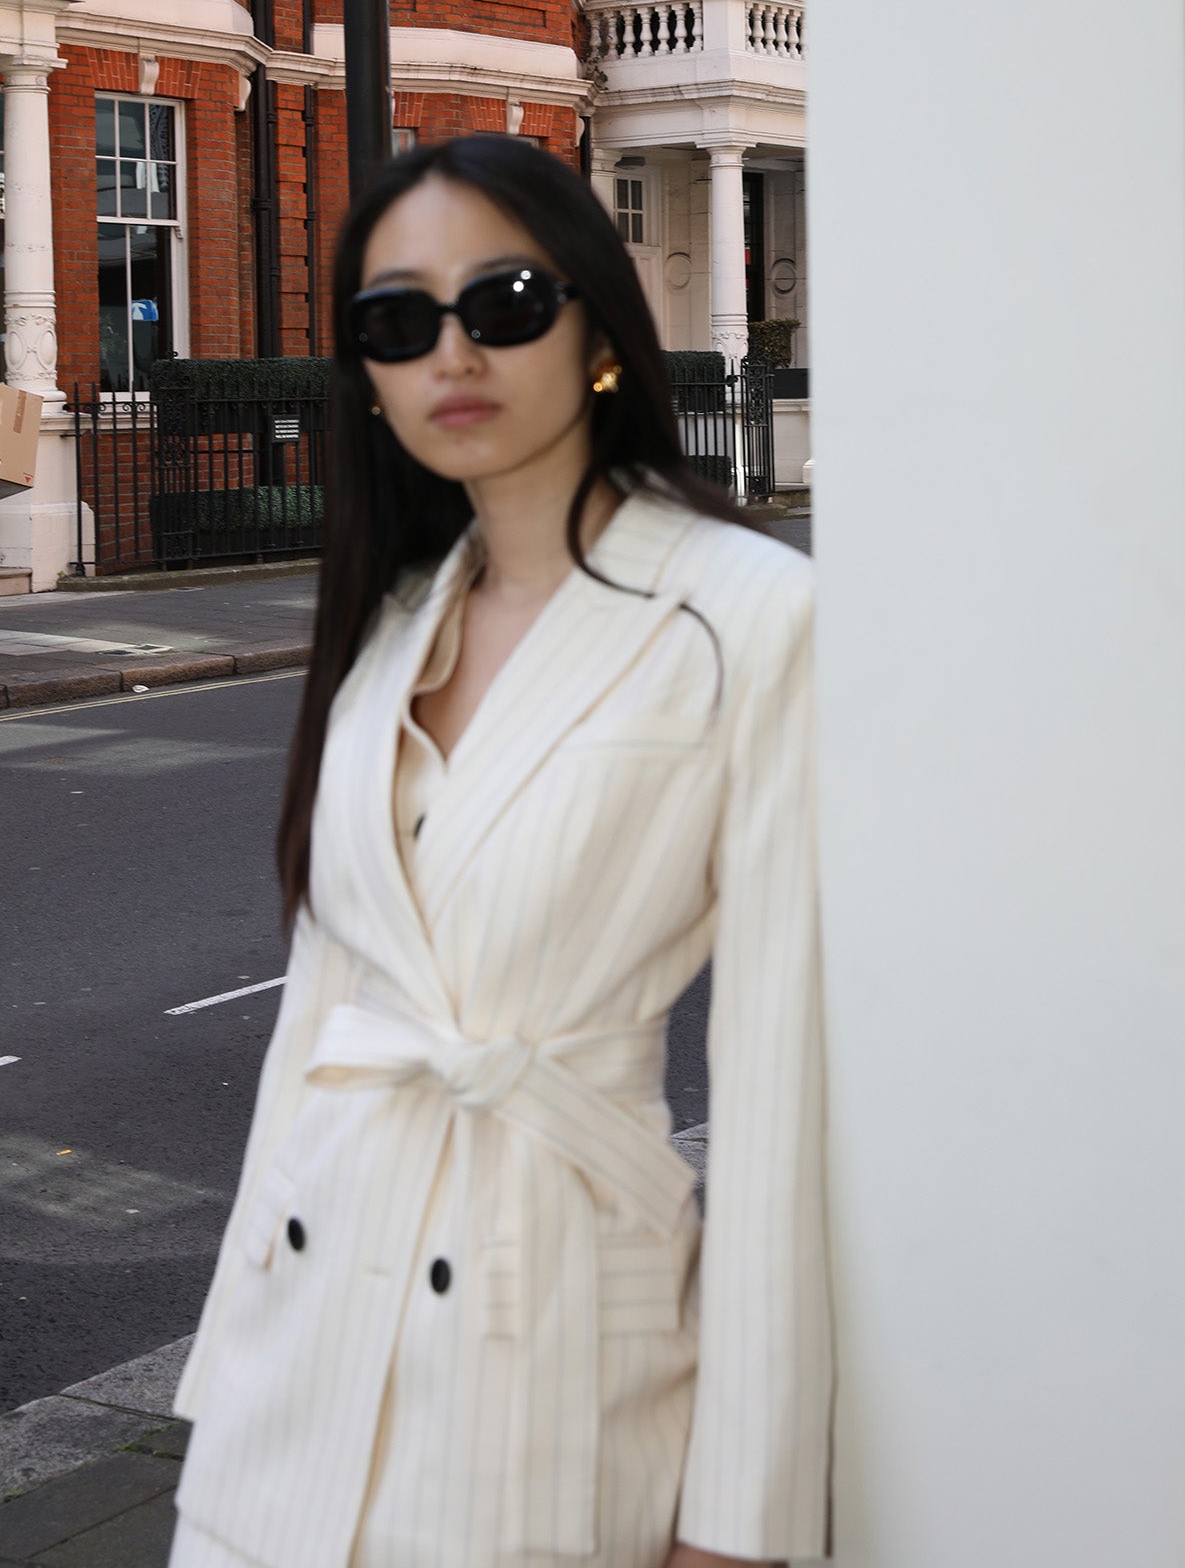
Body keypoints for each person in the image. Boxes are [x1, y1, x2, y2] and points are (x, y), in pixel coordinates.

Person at [167, 133, 833, 1568]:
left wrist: (739, 1521)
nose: (451, 352)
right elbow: (313, 1033)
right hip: (291, 1380)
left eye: (506, 300)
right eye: (396, 321)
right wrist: (219, 1383)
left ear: (596, 323)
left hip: (553, 1361)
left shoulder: (749, 618)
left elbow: (787, 1099)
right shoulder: (391, 626)